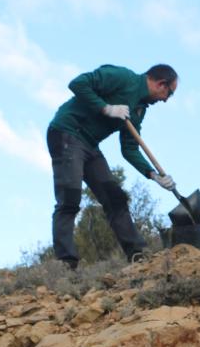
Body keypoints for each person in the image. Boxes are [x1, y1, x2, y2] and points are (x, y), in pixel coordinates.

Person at [47, 63, 179, 270]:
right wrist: (106, 108)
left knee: (115, 198)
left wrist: (153, 174)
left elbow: (129, 149)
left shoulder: (138, 110)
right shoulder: (122, 77)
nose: (165, 100)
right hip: (67, 132)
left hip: (90, 145)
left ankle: (138, 255)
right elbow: (78, 84)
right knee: (69, 198)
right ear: (161, 84)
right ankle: (66, 264)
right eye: (169, 94)